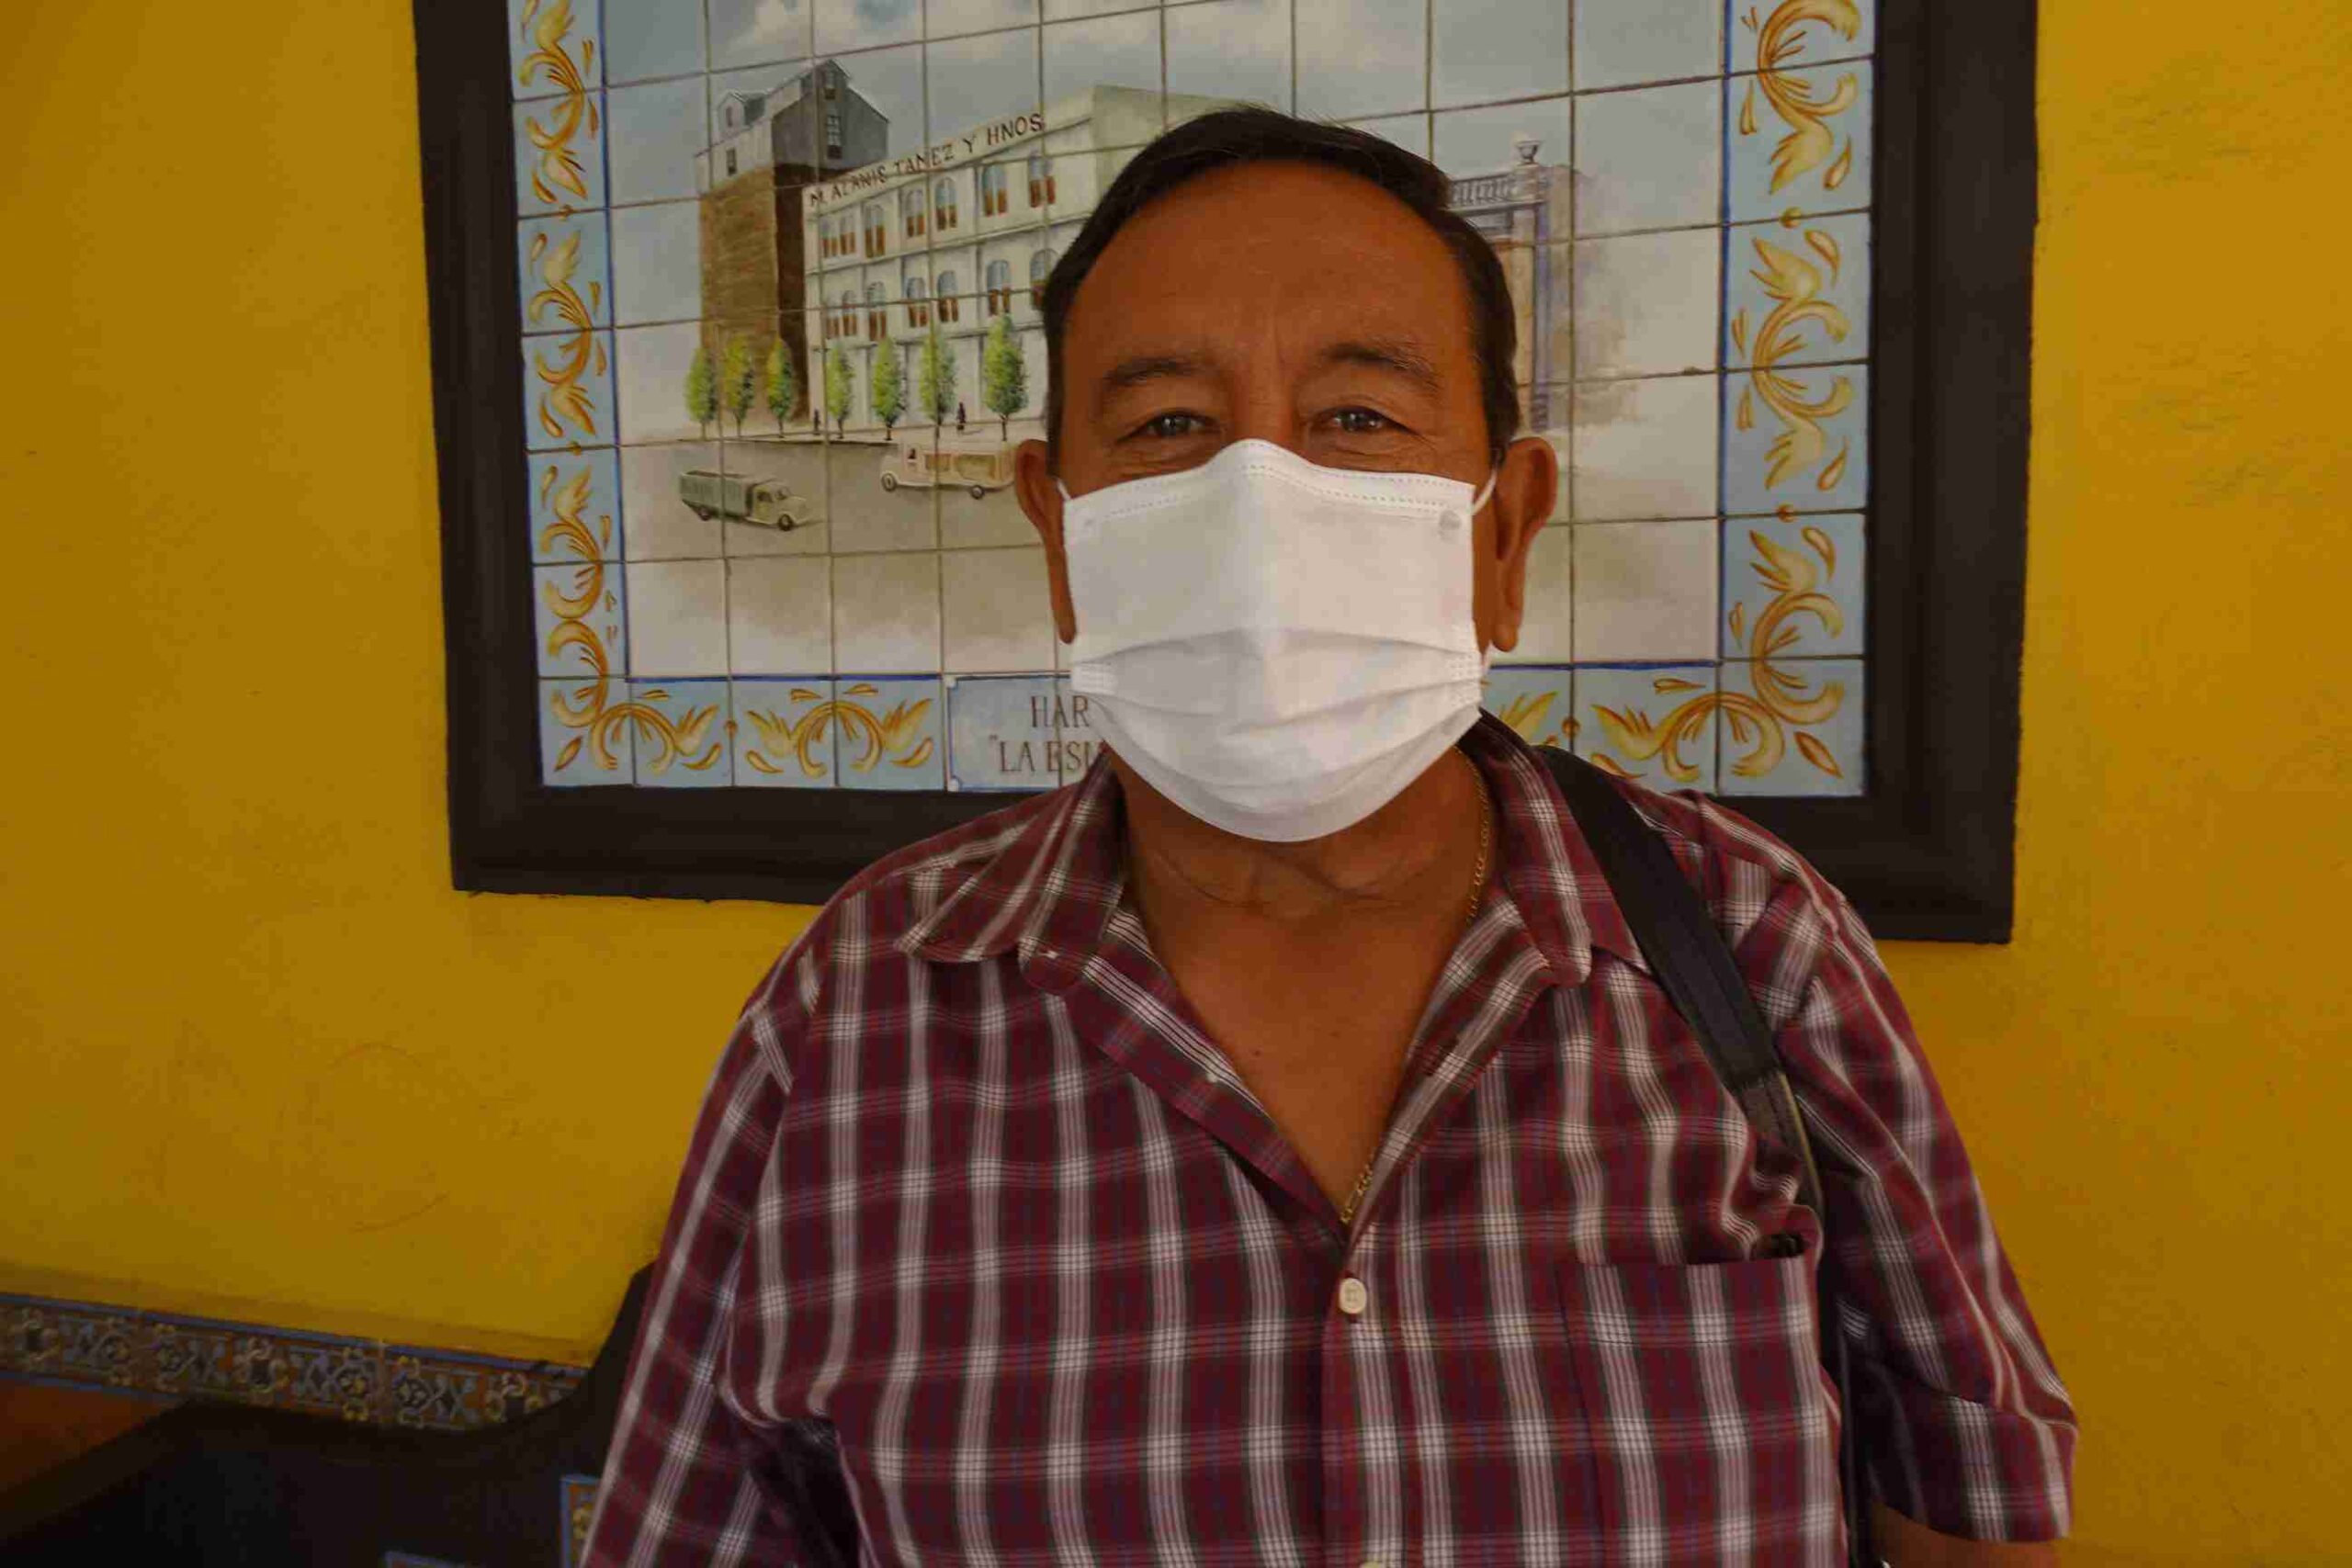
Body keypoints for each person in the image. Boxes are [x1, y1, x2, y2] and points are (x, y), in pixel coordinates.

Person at [585, 108, 2075, 1565]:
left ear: (1504, 531)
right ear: (1059, 532)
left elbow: (1974, 1522)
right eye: (1166, 424)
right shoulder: (852, 1013)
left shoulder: (1752, 947)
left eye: (1359, 417)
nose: (1257, 502)